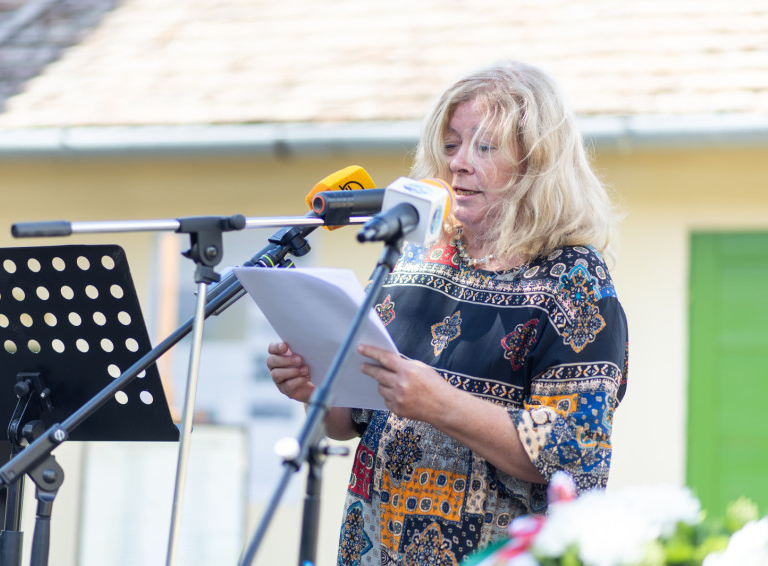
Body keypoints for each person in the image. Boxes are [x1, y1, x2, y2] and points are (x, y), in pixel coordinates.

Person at [266, 60, 628, 566]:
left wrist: (440, 404)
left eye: (485, 146)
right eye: (452, 144)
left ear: (536, 162)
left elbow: (575, 455)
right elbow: (348, 422)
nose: (459, 162)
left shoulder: (573, 279)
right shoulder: (414, 255)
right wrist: (315, 387)